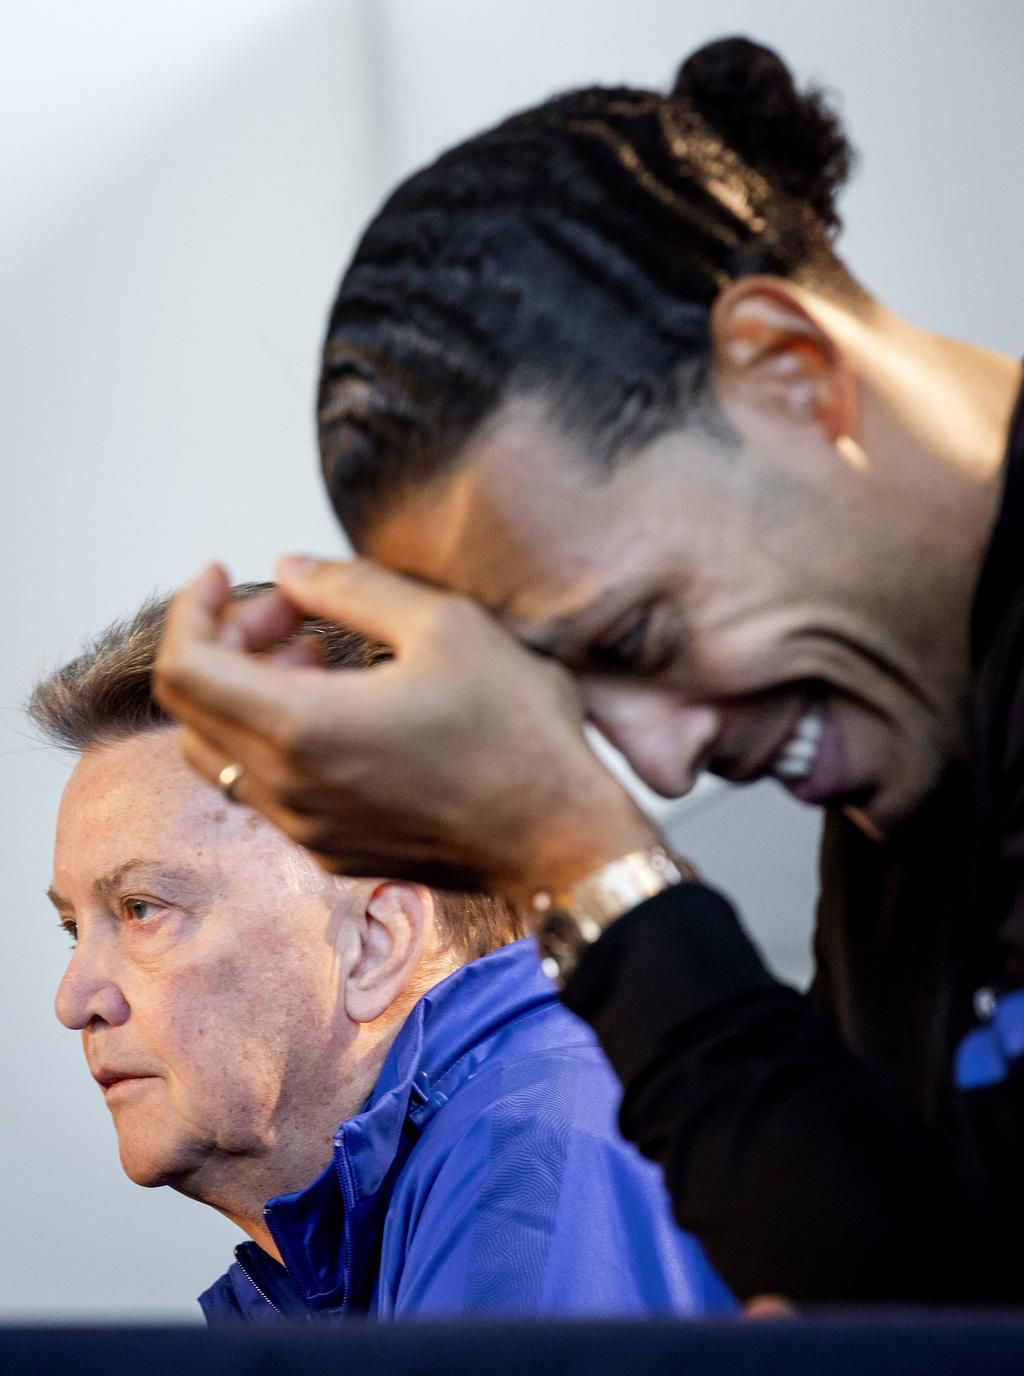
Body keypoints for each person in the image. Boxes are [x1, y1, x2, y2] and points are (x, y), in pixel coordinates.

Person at [153, 38, 1024, 1302]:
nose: (663, 760)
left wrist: (579, 857)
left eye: (637, 636)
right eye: (581, 696)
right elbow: (896, 1297)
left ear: (789, 370)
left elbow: (912, 1325)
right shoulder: (902, 761)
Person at [30, 587, 733, 1322]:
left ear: (376, 941)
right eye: (75, 929)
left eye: (141, 909)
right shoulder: (419, 1201)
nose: (74, 1000)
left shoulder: (531, 1152)